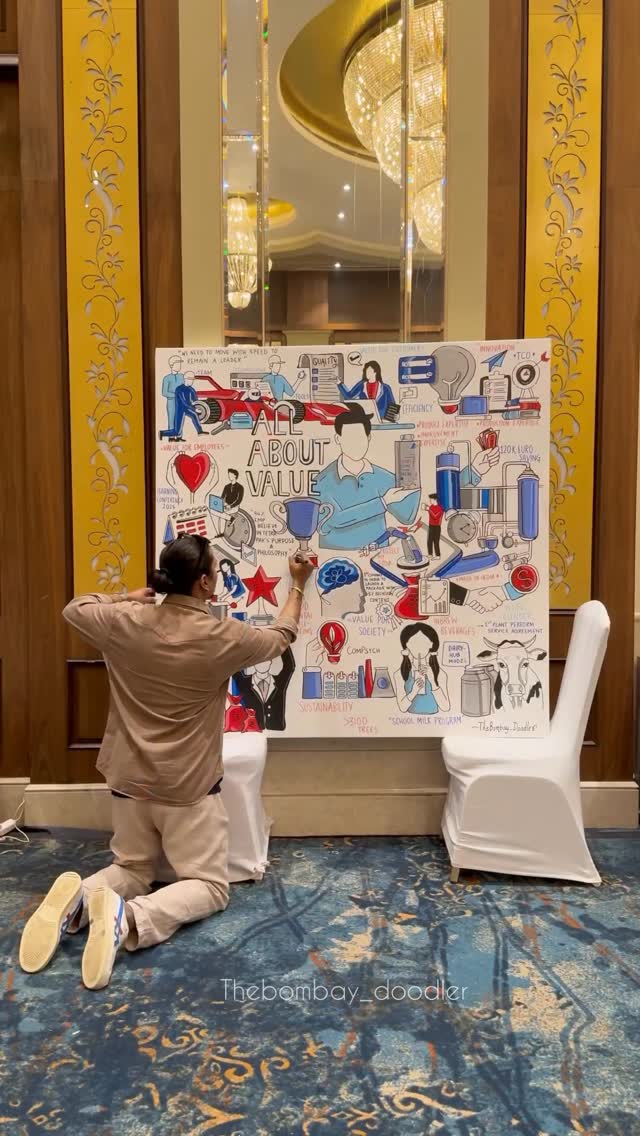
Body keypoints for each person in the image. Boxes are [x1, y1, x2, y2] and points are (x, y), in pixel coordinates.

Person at [19, 535, 314, 989]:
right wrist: (297, 583)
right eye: (214, 571)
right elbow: (282, 635)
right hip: (186, 787)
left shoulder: (124, 620)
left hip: (127, 780)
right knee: (210, 886)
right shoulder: (223, 636)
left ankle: (79, 898)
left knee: (132, 868)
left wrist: (125, 597)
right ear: (204, 583)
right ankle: (127, 919)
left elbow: (75, 608)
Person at [314, 403, 421, 550]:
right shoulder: (321, 480)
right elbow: (334, 519)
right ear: (338, 439)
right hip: (334, 554)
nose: (355, 444)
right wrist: (383, 502)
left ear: (368, 437)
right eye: (349, 437)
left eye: (360, 437)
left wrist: (414, 479)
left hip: (377, 554)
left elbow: (407, 517)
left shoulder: (383, 477)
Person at [392, 623, 450, 715]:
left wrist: (433, 682)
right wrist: (413, 691)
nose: (419, 647)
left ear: (431, 645)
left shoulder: (439, 673)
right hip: (408, 721)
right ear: (407, 645)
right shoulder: (400, 674)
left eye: (424, 643)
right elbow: (402, 708)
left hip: (435, 720)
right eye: (414, 643)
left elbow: (446, 707)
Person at [233, 647, 295, 731]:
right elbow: (234, 668)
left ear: (270, 662)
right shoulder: (245, 683)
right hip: (253, 731)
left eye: (265, 660)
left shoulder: (279, 683)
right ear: (253, 664)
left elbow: (289, 666)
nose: (262, 664)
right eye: (258, 661)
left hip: (276, 728)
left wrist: (283, 642)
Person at [159, 372, 205, 440]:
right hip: (180, 410)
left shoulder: (191, 389)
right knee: (177, 432)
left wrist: (198, 407)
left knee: (194, 415)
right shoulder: (179, 389)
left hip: (187, 408)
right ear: (185, 379)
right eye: (190, 379)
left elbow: (195, 400)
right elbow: (184, 402)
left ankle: (200, 431)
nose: (192, 381)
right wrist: (194, 409)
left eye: (192, 380)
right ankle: (162, 433)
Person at [161, 355, 184, 433]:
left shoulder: (182, 376)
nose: (179, 365)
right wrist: (175, 395)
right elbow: (164, 392)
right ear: (171, 365)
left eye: (180, 363)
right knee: (171, 418)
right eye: (177, 363)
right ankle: (171, 436)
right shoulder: (167, 378)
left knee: (181, 418)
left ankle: (179, 436)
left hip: (181, 402)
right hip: (171, 402)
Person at [426, 493, 444, 557]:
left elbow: (435, 517)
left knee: (436, 542)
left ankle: (438, 555)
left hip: (437, 527)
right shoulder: (431, 507)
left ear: (435, 500)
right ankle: (430, 554)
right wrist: (428, 509)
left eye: (431, 499)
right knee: (429, 541)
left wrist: (429, 510)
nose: (430, 501)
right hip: (431, 526)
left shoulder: (440, 508)